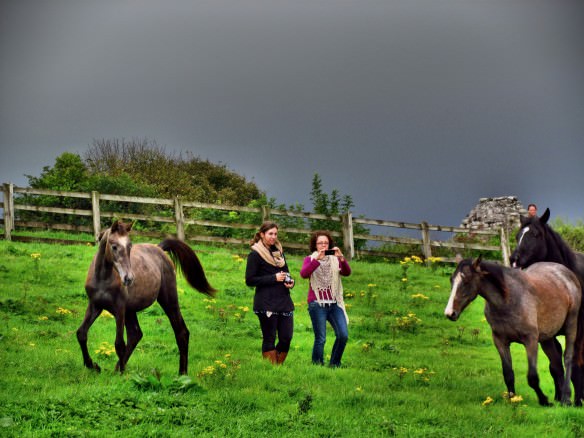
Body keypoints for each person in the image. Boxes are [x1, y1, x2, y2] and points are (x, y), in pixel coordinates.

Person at [245, 221, 295, 364]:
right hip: (266, 302)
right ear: (262, 234)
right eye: (270, 234)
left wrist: (291, 282)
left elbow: (287, 273)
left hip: (284, 301)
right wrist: (273, 278)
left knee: (286, 337)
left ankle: (277, 366)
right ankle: (273, 370)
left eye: (275, 234)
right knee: (270, 338)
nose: (273, 237)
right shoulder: (255, 255)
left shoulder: (279, 253)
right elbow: (250, 280)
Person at [300, 230, 351, 367]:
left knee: (343, 335)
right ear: (315, 245)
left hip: (334, 303)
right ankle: (317, 365)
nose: (323, 245)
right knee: (321, 338)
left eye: (326, 243)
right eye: (320, 243)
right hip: (317, 303)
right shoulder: (310, 259)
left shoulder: (335, 260)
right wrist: (317, 260)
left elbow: (347, 272)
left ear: (330, 245)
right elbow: (304, 274)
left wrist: (341, 257)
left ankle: (334, 364)